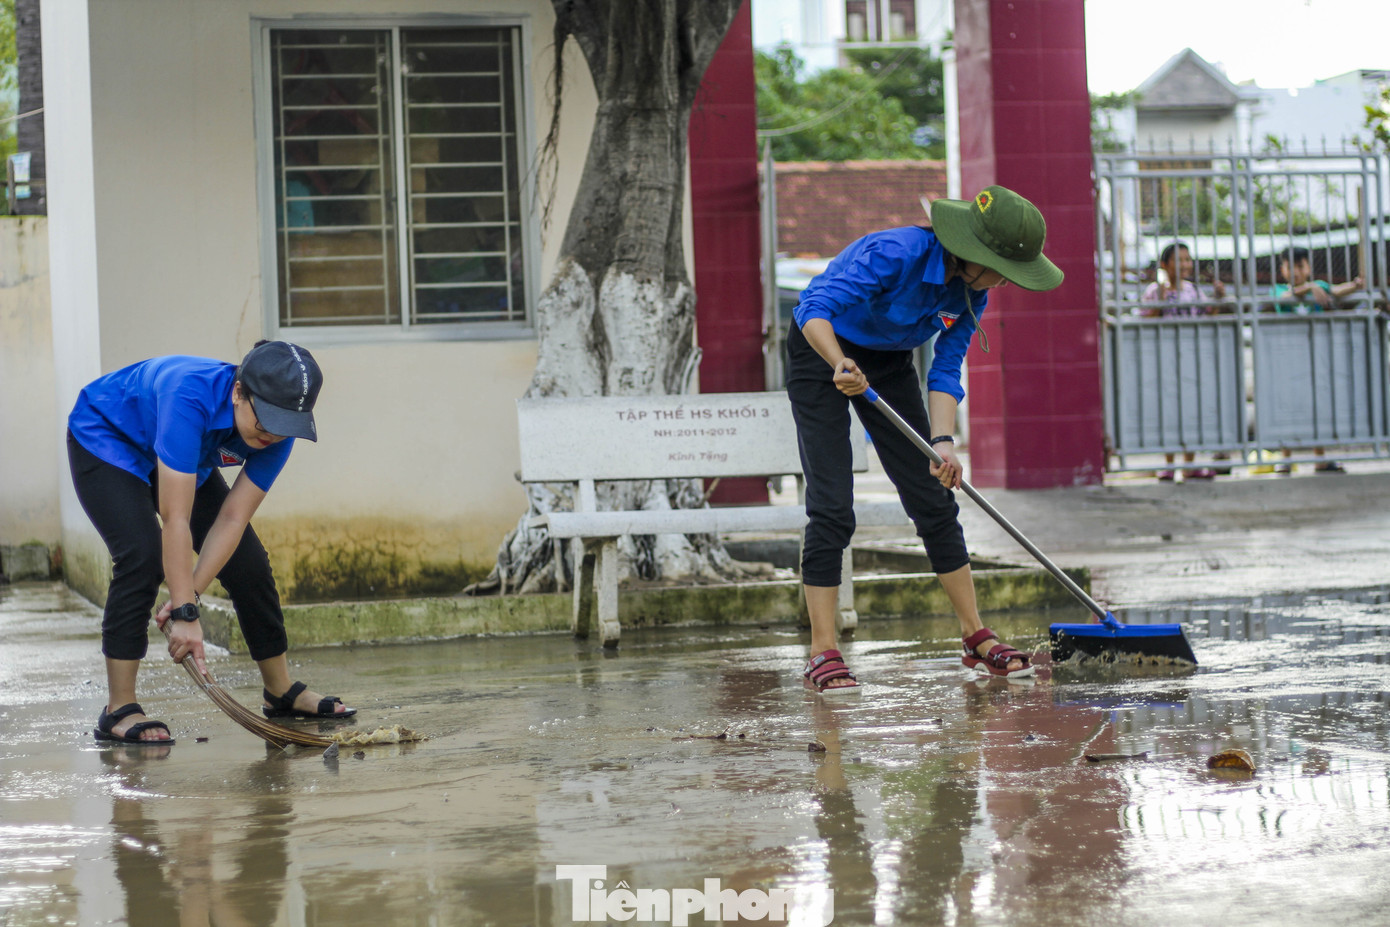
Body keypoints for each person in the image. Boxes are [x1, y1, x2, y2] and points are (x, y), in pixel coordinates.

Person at [788, 185, 1064, 693]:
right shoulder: (896, 253)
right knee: (832, 506)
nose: (1004, 283)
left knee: (934, 496)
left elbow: (945, 367)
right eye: (1002, 269)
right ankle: (822, 650)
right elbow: (813, 307)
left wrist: (944, 442)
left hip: (889, 362)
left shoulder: (971, 291)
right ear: (973, 254)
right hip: (821, 349)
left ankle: (974, 634)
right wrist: (838, 363)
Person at [67, 340, 356, 745]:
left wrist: (190, 597)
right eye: (265, 421)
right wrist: (184, 611)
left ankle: (280, 692)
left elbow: (234, 517)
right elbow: (176, 517)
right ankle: (119, 707)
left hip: (183, 456)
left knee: (249, 562)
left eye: (285, 425)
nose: (272, 434)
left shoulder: (279, 429)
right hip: (110, 438)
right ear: (239, 392)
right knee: (143, 555)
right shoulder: (188, 394)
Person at [1269, 247, 1363, 474]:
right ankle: (1286, 458)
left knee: (1319, 405)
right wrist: (1311, 287)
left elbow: (1338, 291)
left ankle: (1320, 458)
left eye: (1300, 266)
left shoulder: (1320, 287)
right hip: (1289, 359)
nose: (1296, 272)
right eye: (1291, 267)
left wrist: (1357, 285)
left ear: (1308, 268)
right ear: (1282, 269)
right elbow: (1285, 298)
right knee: (1288, 406)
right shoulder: (1279, 289)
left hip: (1317, 357)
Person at [1141, 241, 1228, 481]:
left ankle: (1190, 464)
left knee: (1191, 409)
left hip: (1191, 358)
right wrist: (1160, 300)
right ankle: (1168, 464)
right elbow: (1145, 322)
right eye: (1179, 260)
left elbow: (1206, 315)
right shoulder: (1153, 291)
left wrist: (1217, 300)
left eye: (1188, 259)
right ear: (1165, 264)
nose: (1186, 264)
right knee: (1168, 410)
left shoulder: (1193, 291)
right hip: (1165, 359)